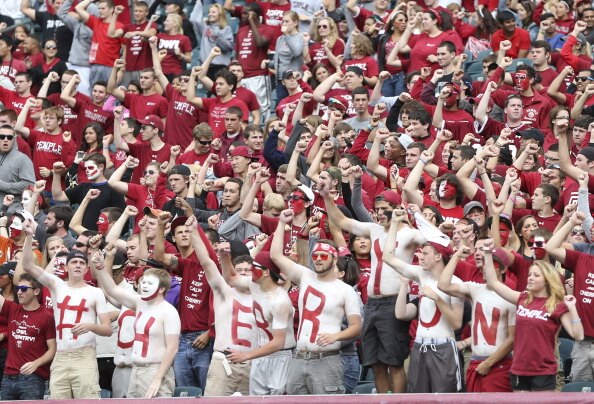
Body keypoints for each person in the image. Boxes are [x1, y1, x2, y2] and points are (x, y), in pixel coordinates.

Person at [271, 209, 362, 395]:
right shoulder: (306, 276)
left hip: (327, 359)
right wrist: (281, 224)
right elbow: (275, 256)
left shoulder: (345, 290)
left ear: (334, 258)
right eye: (315, 256)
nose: (318, 260)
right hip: (299, 356)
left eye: (324, 256)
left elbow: (357, 326)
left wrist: (336, 336)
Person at [21, 216, 112, 399]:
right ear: (67, 266)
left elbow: (108, 329)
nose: (78, 265)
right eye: (74, 262)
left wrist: (90, 326)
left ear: (87, 269)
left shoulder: (95, 293)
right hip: (61, 356)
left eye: (81, 263)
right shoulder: (57, 285)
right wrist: (29, 235)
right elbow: (28, 265)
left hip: (84, 356)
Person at [482, 238, 584, 392]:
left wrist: (572, 308)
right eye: (530, 275)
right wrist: (488, 253)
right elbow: (493, 282)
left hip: (543, 372)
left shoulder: (556, 305)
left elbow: (578, 335)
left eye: (536, 276)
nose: (530, 278)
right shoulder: (522, 298)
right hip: (518, 369)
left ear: (547, 280)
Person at [383, 209, 464, 393]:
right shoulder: (421, 274)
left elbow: (456, 323)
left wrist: (437, 299)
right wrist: (394, 222)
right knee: (417, 398)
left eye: (425, 253)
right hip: (420, 346)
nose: (420, 256)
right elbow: (388, 257)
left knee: (446, 398)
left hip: (444, 347)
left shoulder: (455, 284)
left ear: (438, 256)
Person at [91, 245, 181, 398]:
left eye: (150, 283)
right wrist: (100, 267)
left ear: (161, 289)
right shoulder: (140, 303)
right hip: (135, 369)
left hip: (155, 368)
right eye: (143, 282)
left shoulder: (169, 311)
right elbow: (113, 290)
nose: (144, 286)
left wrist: (158, 378)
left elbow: (172, 349)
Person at [187, 217, 256, 396]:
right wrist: (194, 232)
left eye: (247, 271)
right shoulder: (224, 290)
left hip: (253, 362)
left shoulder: (263, 296)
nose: (242, 275)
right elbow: (207, 263)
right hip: (222, 362)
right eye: (238, 270)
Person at [438, 239, 516, 392]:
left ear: (502, 269)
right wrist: (457, 255)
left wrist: (489, 363)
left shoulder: (511, 296)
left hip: (499, 364)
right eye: (485, 266)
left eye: (491, 266)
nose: (486, 269)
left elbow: (513, 338)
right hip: (475, 361)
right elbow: (443, 285)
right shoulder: (475, 289)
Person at [0, 272, 56, 400]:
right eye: (18, 289)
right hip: (7, 377)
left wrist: (36, 363)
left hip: (33, 378)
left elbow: (52, 349)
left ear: (36, 291)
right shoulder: (13, 309)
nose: (19, 292)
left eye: (24, 289)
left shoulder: (47, 316)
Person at [0, 125, 34, 212]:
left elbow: (30, 185)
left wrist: (3, 185)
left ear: (14, 139)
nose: (5, 139)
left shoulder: (23, 159)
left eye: (9, 137)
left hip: (12, 212)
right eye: (2, 137)